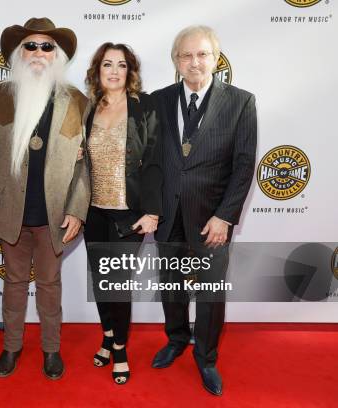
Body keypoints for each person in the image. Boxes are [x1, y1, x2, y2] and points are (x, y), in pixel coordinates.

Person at [0, 17, 90, 380]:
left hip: (54, 217)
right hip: (10, 213)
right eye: (31, 45)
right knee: (13, 284)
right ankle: (11, 346)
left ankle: (51, 350)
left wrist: (77, 210)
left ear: (57, 55)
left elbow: (85, 166)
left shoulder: (77, 100)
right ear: (18, 53)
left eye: (47, 46)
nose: (38, 52)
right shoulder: (0, 96)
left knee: (50, 287)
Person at [151, 25, 257, 396]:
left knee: (210, 293)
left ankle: (206, 357)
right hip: (168, 216)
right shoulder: (158, 100)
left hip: (212, 218)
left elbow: (244, 165)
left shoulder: (241, 102)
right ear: (176, 61)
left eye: (202, 54)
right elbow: (150, 162)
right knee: (171, 286)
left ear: (215, 58)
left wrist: (225, 216)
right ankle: (177, 338)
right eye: (186, 55)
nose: (194, 62)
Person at [83, 42, 162, 385]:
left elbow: (157, 162)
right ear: (97, 72)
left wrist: (154, 211)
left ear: (129, 72)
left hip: (128, 214)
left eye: (121, 65)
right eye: (107, 65)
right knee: (101, 284)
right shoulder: (89, 109)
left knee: (118, 286)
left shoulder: (144, 107)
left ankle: (119, 349)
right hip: (94, 210)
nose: (114, 71)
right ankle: (106, 334)